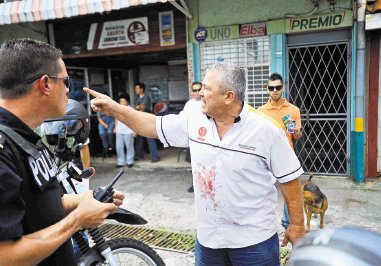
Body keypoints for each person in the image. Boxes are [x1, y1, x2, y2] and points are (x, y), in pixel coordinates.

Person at [84, 62, 305, 265]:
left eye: (207, 89)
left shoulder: (266, 129)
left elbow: (289, 179)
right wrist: (115, 109)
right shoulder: (194, 120)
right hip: (209, 240)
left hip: (254, 243)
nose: (200, 93)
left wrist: (296, 225)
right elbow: (151, 124)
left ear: (229, 96)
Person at [0, 38, 124, 266]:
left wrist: (86, 200)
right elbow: (5, 256)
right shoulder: (3, 149)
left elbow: (41, 202)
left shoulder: (27, 135)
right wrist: (77, 220)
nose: (69, 90)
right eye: (66, 81)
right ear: (45, 84)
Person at [258, 72, 302, 231]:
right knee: (262, 191)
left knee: (288, 193)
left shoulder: (293, 110)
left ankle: (287, 224)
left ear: (283, 88)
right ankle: (263, 224)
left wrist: (295, 130)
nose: (274, 90)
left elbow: (297, 135)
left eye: (277, 87)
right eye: (271, 87)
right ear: (267, 89)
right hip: (265, 157)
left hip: (286, 156)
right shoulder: (261, 111)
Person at [183, 81, 203, 193]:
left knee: (203, 163)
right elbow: (183, 119)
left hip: (204, 139)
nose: (197, 92)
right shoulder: (189, 104)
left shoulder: (206, 102)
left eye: (198, 89)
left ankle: (203, 186)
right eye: (194, 90)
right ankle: (194, 184)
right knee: (193, 163)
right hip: (191, 138)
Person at [134, 82, 160, 163]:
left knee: (150, 139)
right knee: (139, 138)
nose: (136, 90)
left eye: (137, 88)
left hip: (147, 120)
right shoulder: (137, 98)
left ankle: (155, 157)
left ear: (141, 89)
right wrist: (137, 107)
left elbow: (142, 107)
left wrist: (137, 107)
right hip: (140, 120)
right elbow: (136, 107)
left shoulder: (146, 97)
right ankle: (139, 155)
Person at [114, 93, 136, 168]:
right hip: (119, 131)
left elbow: (134, 121)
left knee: (129, 146)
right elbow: (116, 118)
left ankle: (130, 161)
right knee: (119, 147)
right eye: (121, 101)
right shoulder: (118, 108)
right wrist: (115, 127)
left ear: (127, 101)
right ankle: (121, 162)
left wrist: (134, 131)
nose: (122, 103)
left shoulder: (131, 109)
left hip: (128, 131)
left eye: (123, 101)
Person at [97, 92, 115, 157]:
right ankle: (106, 148)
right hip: (102, 122)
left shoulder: (111, 105)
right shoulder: (99, 106)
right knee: (102, 133)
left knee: (110, 132)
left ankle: (111, 145)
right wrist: (104, 125)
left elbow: (112, 114)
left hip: (111, 121)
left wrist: (108, 112)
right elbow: (99, 118)